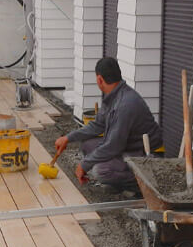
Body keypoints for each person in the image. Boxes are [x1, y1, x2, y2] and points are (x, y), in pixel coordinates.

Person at [55, 57, 163, 191]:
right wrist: (68, 138)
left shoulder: (124, 104)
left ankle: (145, 185)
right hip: (127, 145)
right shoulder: (114, 95)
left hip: (144, 154)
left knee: (101, 171)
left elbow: (113, 146)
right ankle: (119, 180)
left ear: (100, 79)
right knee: (87, 145)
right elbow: (97, 125)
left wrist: (84, 165)